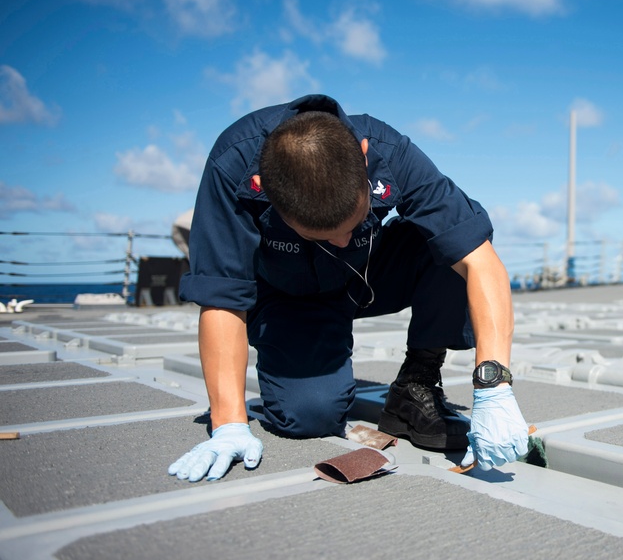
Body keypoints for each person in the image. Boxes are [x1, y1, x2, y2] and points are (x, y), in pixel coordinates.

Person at [168, 94, 529, 483]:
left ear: (363, 154)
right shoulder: (233, 163)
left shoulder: (388, 150)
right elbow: (222, 299)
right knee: (310, 415)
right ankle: (309, 355)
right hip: (287, 297)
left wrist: (494, 388)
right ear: (265, 188)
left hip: (366, 275)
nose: (340, 241)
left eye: (351, 223)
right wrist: (228, 424)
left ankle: (416, 385)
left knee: (451, 244)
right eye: (322, 235)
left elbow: (480, 260)